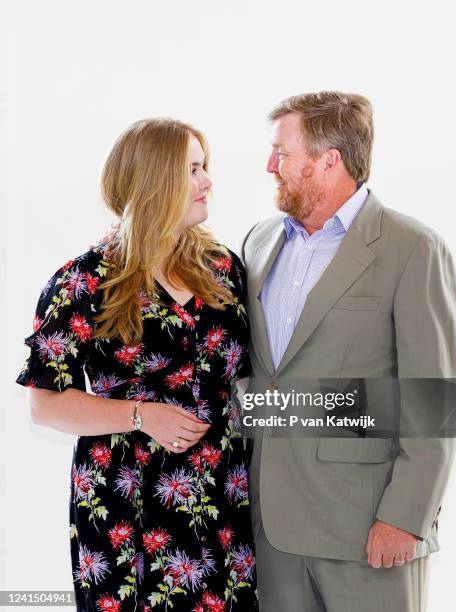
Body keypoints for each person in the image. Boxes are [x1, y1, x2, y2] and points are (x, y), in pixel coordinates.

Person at [16, 118, 258, 612]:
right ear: (155, 180)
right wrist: (142, 416)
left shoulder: (225, 269)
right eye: (193, 169)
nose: (208, 181)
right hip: (128, 507)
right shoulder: (81, 283)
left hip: (223, 500)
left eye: (205, 166)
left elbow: (252, 376)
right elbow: (43, 405)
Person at [242, 92, 456, 612]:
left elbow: (437, 398)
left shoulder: (412, 248)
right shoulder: (258, 242)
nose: (269, 165)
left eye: (282, 152)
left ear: (329, 159)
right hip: (270, 533)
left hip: (367, 532)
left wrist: (406, 515)